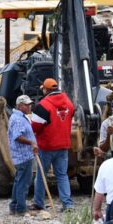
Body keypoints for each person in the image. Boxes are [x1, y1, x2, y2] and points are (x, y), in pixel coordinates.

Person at [30, 78, 74, 212]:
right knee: (62, 175)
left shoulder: (43, 105)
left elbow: (35, 127)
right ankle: (68, 205)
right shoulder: (69, 102)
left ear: (46, 90)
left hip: (47, 146)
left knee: (41, 175)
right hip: (63, 145)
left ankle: (38, 202)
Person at [8, 95, 38, 215]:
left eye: (29, 104)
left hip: (22, 155)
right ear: (20, 106)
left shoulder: (19, 117)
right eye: (26, 104)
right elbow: (17, 136)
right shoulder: (18, 119)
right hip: (23, 155)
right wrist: (31, 142)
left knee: (19, 181)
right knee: (23, 183)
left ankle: (14, 205)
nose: (29, 106)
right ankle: (20, 208)